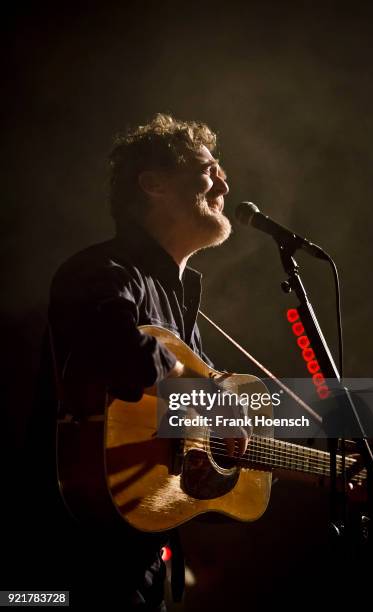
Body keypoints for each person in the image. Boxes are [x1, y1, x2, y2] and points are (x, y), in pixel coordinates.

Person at [31, 113, 248, 610]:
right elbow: (125, 357)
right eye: (209, 167)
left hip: (144, 560)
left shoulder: (186, 308)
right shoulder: (98, 270)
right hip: (68, 568)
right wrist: (205, 393)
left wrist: (336, 475)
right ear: (152, 184)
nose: (224, 181)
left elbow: (226, 441)